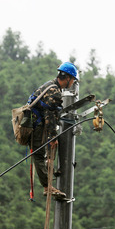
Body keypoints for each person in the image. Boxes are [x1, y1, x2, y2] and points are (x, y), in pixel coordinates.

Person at [29, 62, 79, 197]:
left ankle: (49, 177)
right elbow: (50, 116)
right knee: (39, 156)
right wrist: (52, 138)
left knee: (42, 155)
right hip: (37, 126)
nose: (73, 82)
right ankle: (47, 186)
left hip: (34, 124)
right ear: (67, 78)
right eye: (73, 79)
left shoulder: (50, 85)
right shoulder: (55, 92)